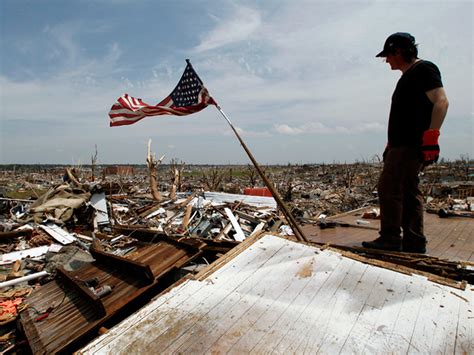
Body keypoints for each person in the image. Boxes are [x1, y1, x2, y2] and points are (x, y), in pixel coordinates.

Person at [362, 32, 449, 253]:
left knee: (390, 188)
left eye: (388, 56)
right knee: (407, 191)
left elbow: (441, 101)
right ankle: (413, 241)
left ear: (398, 51)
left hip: (409, 145)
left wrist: (432, 136)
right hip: (401, 145)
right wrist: (391, 143)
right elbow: (406, 115)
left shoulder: (424, 70)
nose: (386, 60)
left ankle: (391, 238)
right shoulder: (408, 76)